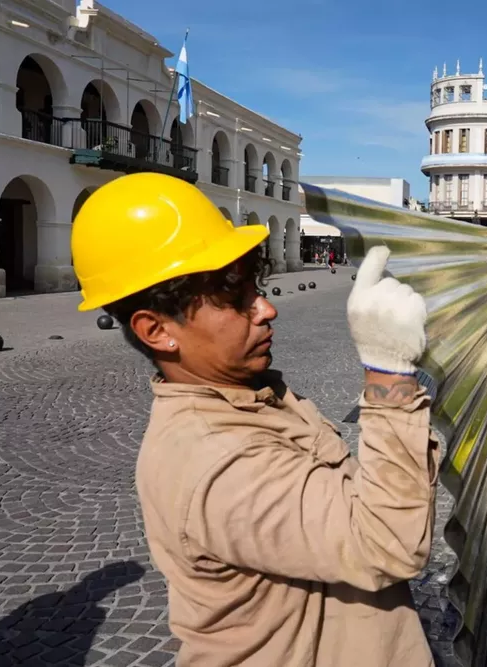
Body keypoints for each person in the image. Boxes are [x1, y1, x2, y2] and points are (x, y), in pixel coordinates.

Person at [70, 173, 439, 667]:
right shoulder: (213, 457)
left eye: (257, 289)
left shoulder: (249, 394)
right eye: (236, 299)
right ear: (157, 330)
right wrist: (388, 373)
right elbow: (388, 542)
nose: (266, 309)